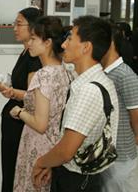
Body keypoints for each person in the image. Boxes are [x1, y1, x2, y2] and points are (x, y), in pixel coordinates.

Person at [32, 16, 119, 192]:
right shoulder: (98, 80)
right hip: (80, 175)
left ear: (86, 47)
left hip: (77, 181)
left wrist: (41, 162)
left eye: (70, 38)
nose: (64, 45)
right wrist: (53, 163)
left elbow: (66, 151)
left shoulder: (89, 90)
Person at [10, 17, 70, 192]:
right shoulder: (64, 71)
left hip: (38, 144)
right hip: (54, 144)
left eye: (34, 39)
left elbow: (40, 124)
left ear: (48, 42)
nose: (29, 43)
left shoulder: (43, 75)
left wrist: (19, 111)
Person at [0, 7, 42, 192]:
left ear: (33, 28)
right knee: (9, 170)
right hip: (13, 119)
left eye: (19, 23)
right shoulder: (25, 52)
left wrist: (12, 92)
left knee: (15, 172)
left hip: (21, 122)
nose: (14, 27)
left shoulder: (34, 58)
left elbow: (34, 96)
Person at [100, 24, 138, 192]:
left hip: (124, 156)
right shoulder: (103, 72)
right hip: (106, 154)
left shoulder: (125, 75)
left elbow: (136, 117)